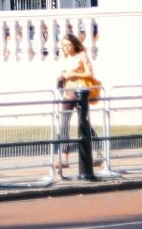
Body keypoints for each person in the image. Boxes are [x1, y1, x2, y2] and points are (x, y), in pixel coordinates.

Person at [54, 33, 96, 176]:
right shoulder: (64, 58)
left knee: (83, 123)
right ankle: (64, 157)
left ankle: (97, 150)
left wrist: (74, 75)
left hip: (80, 93)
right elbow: (63, 73)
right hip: (67, 93)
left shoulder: (82, 55)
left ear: (74, 44)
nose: (66, 48)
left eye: (68, 45)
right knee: (64, 122)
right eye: (64, 46)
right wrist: (61, 78)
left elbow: (90, 74)